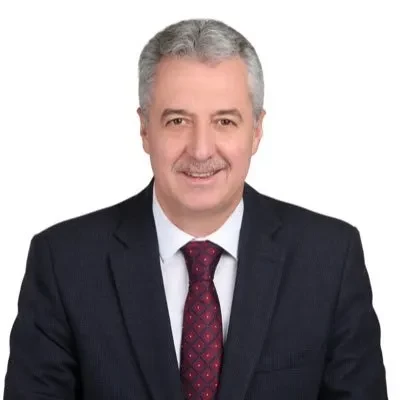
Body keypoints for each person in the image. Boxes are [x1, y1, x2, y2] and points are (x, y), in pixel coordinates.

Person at [3, 18, 388, 400]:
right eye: (177, 121)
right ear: (144, 129)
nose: (201, 150)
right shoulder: (64, 263)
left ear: (256, 130)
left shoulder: (330, 259)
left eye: (225, 121)